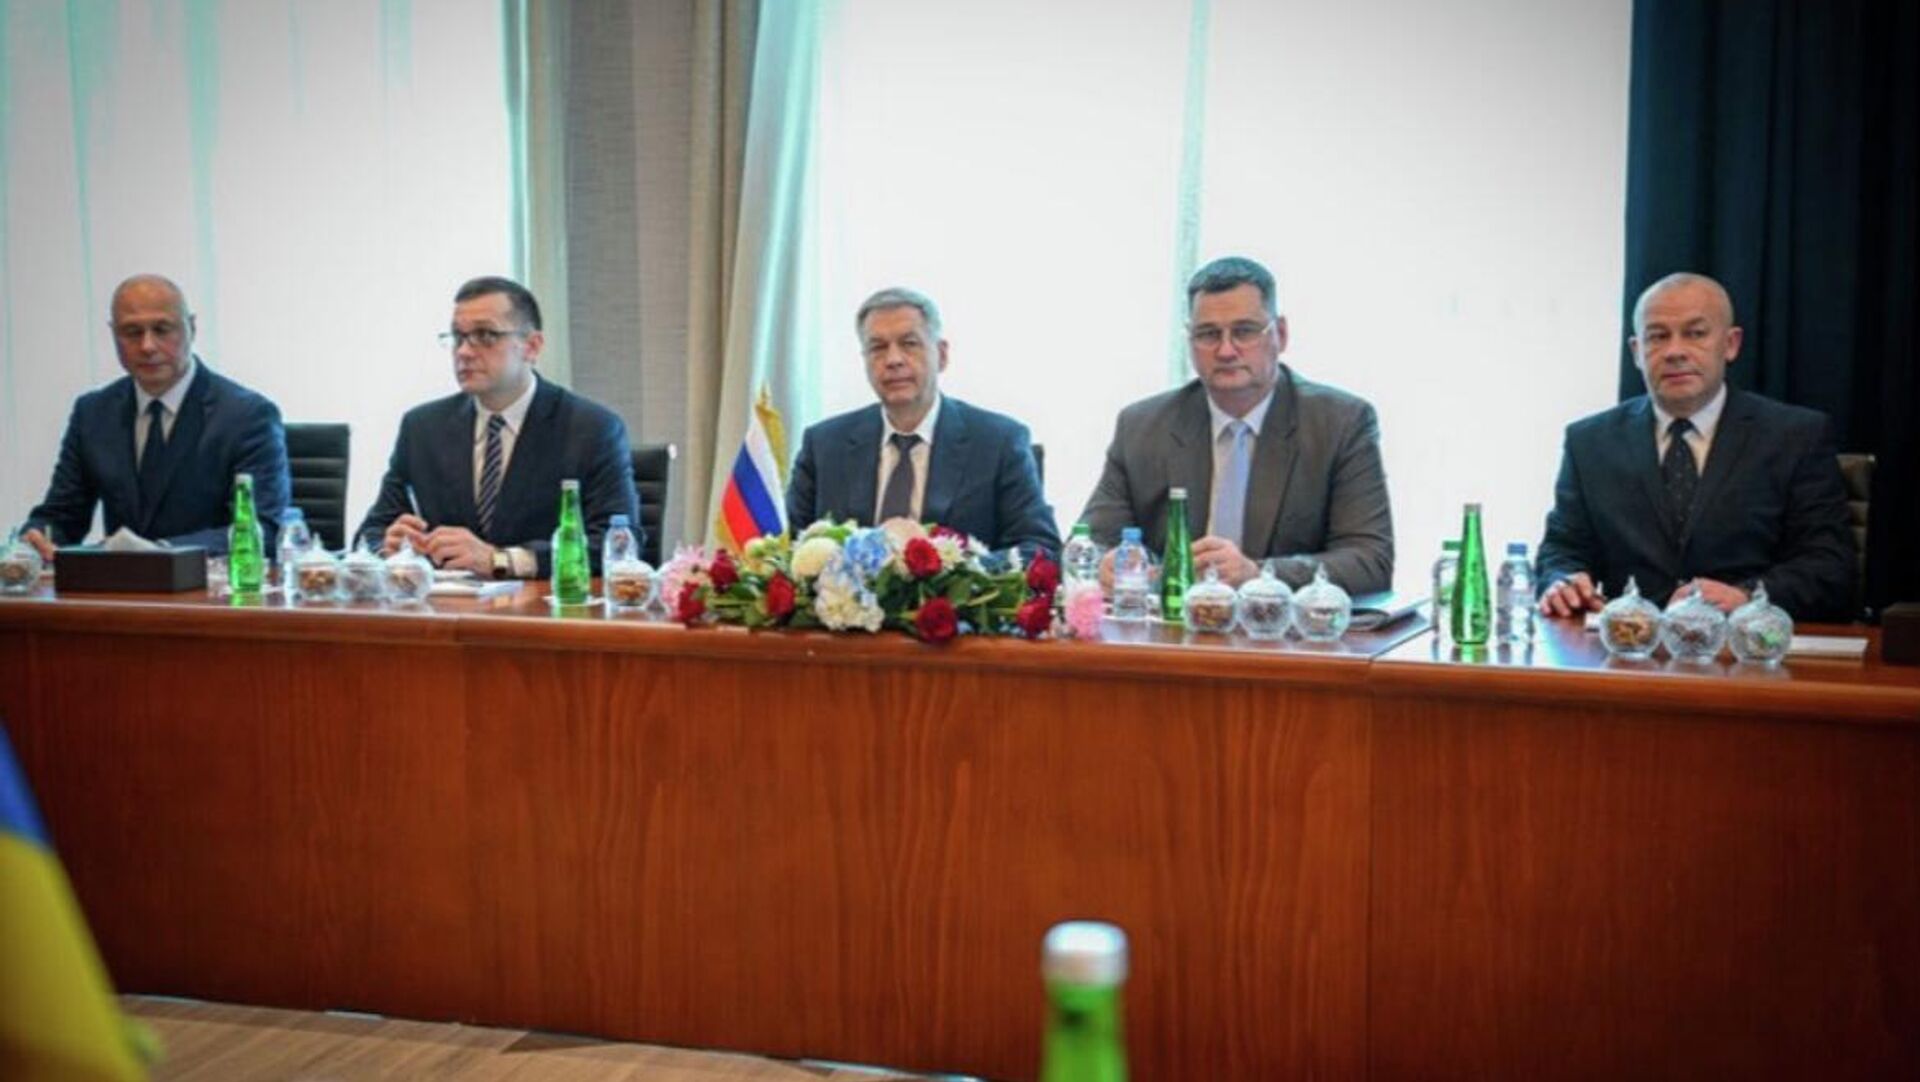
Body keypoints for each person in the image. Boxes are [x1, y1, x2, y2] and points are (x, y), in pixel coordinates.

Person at [1536, 272, 1855, 621]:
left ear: (1730, 344)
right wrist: (1562, 581)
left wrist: (1747, 597)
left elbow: (1829, 565)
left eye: (1696, 333)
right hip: (1631, 643)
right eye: (1658, 337)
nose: (1675, 351)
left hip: (1750, 641)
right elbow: (1562, 548)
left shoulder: (1796, 436)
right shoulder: (1590, 442)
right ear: (1637, 352)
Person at [1078, 256, 1393, 592]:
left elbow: (1370, 560)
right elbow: (1090, 540)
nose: (1226, 350)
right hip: (1174, 622)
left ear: (1280, 334)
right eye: (1208, 334)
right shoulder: (1143, 427)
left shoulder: (1339, 423)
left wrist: (1258, 574)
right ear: (1190, 341)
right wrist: (1105, 563)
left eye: (1244, 331)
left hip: (1282, 623)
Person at [355, 276, 639, 578]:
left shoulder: (590, 429)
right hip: (445, 603)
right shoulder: (422, 428)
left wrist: (500, 560)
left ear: (532, 346)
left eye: (485, 335)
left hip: (541, 604)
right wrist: (388, 548)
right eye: (458, 337)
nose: (464, 352)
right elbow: (370, 532)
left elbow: (616, 544)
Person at [19, 274, 289, 558]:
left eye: (162, 329)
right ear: (114, 335)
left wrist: (159, 553)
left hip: (206, 582)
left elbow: (263, 529)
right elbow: (62, 515)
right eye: (132, 332)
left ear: (191, 329)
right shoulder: (93, 413)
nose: (147, 346)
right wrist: (33, 541)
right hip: (118, 584)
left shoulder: (247, 416)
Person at [786, 287, 1060, 554]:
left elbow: (1039, 548)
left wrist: (961, 573)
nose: (893, 360)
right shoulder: (824, 445)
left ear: (941, 355)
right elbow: (784, 546)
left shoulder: (998, 442)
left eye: (909, 344)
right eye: (878, 348)